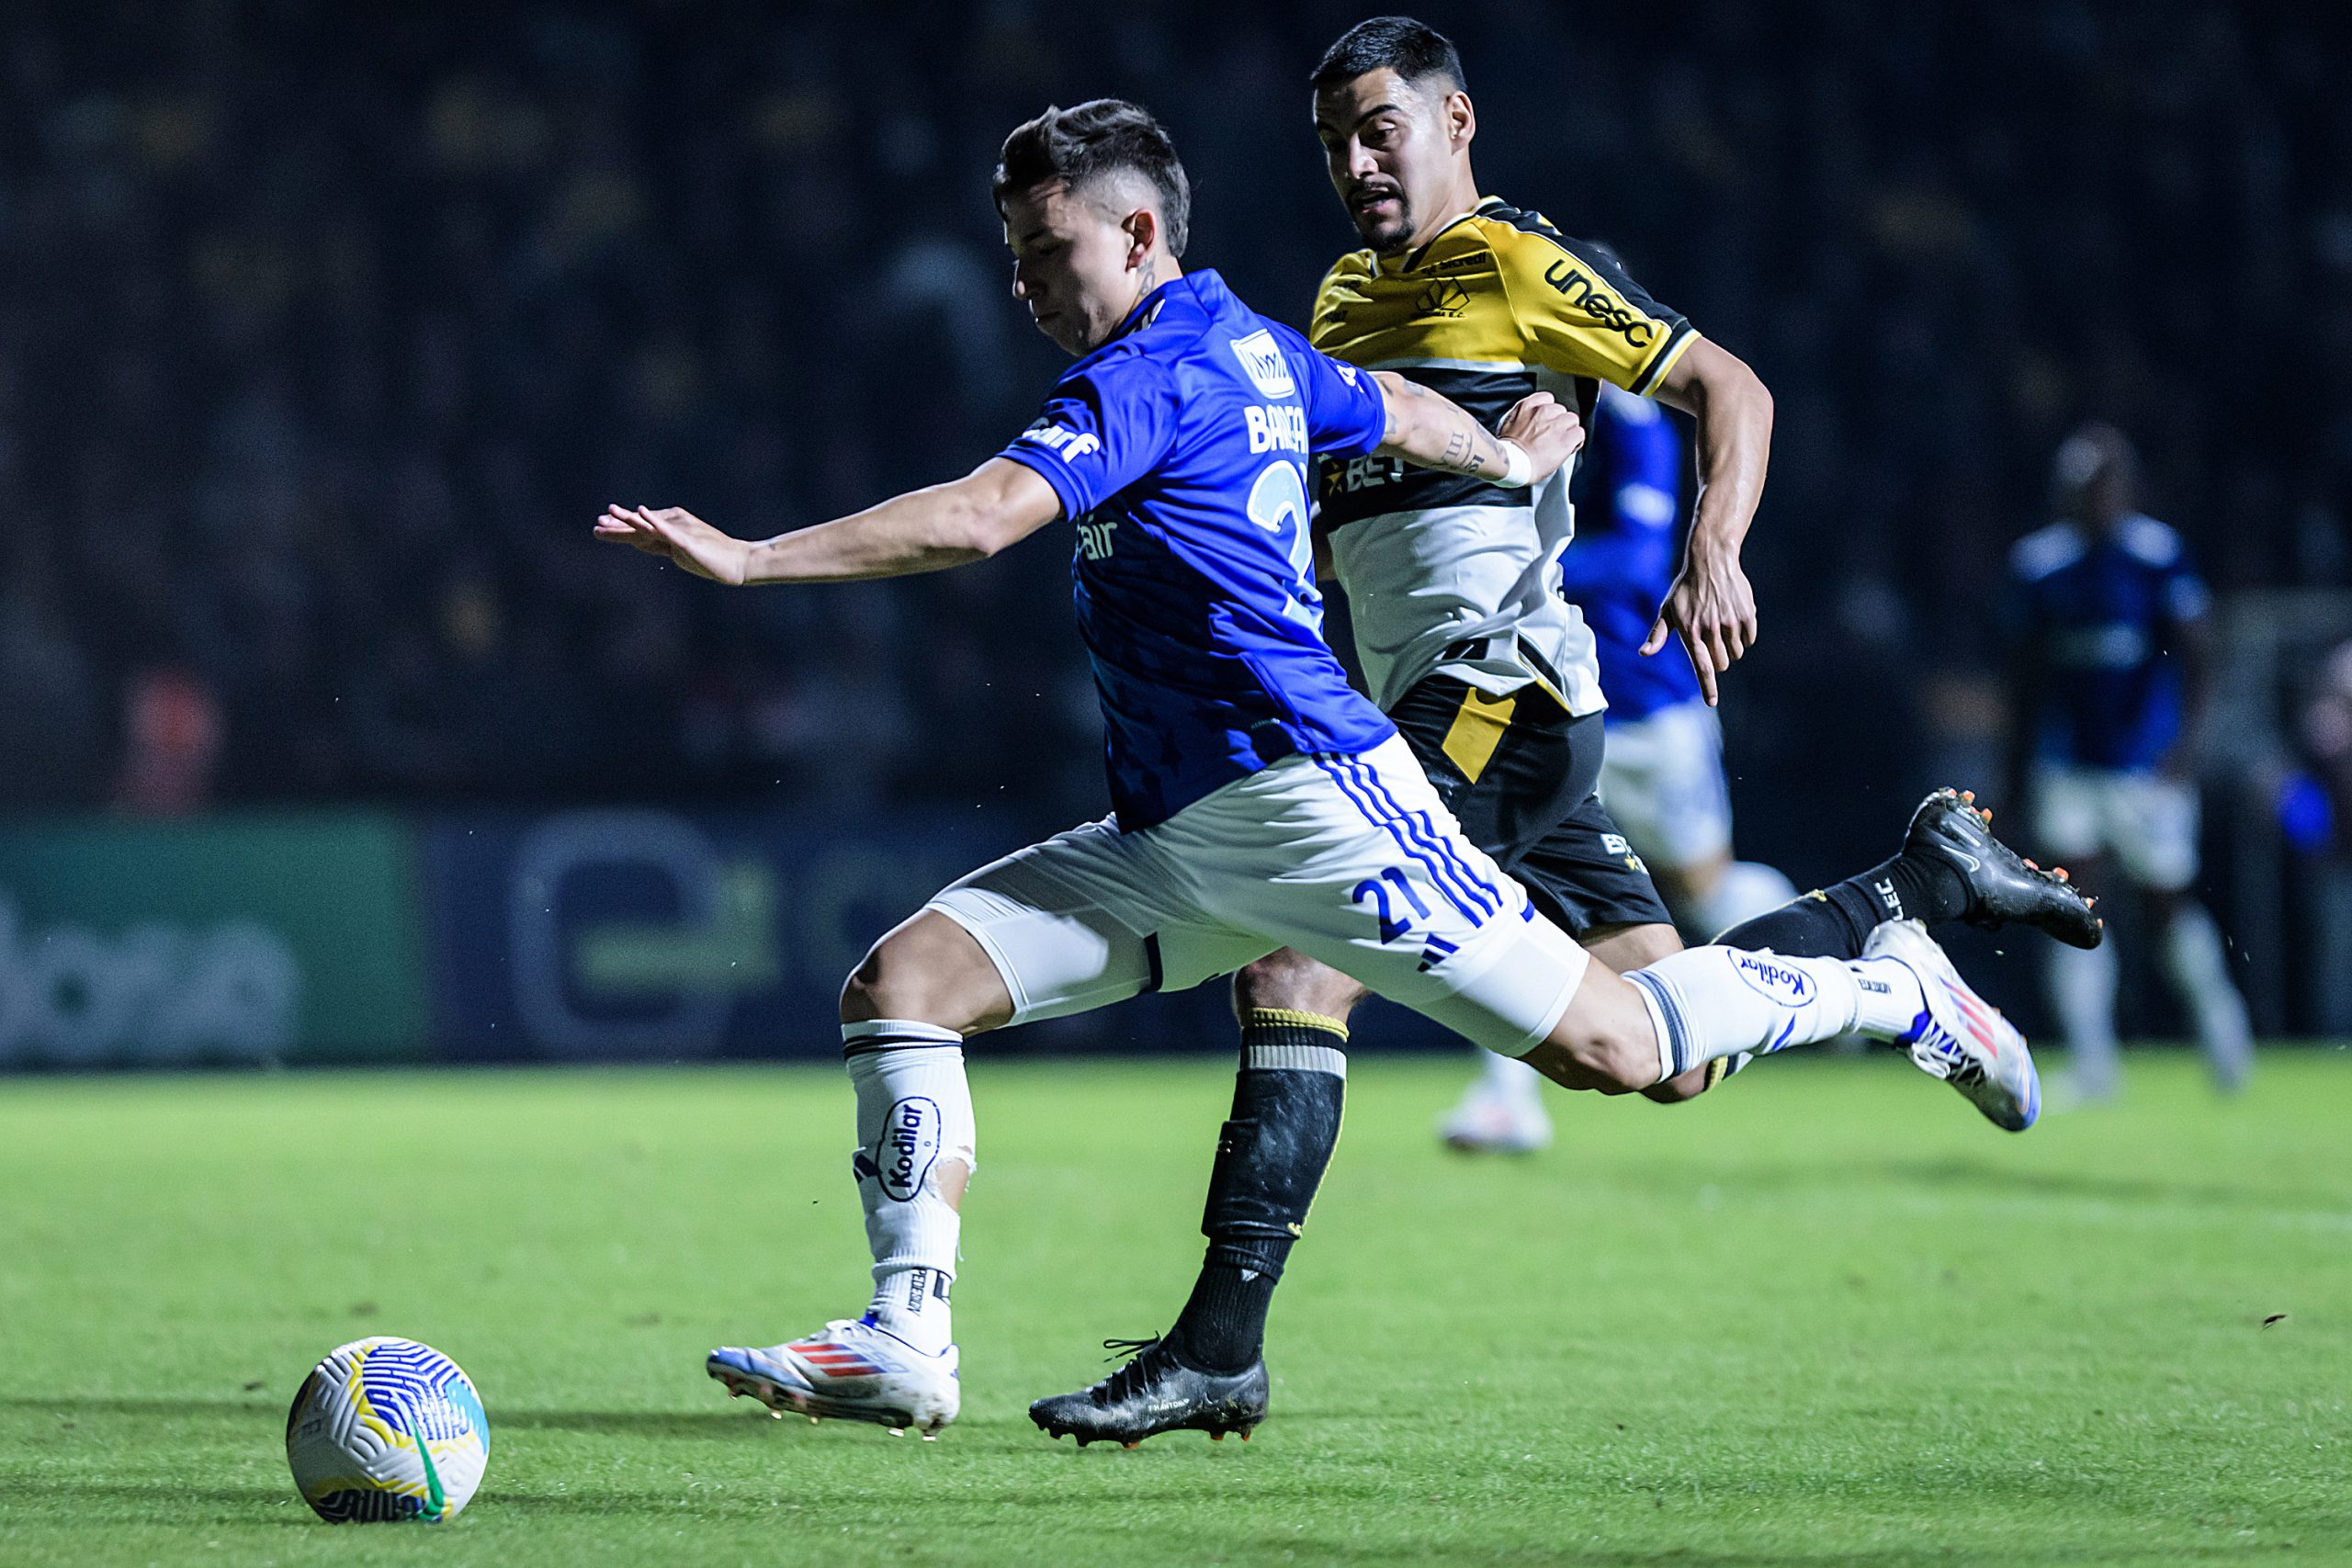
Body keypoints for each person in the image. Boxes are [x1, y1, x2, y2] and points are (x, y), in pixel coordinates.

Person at [601, 96, 2034, 1446]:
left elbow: (983, 519)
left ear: (1142, 236)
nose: (1029, 284)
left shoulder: (1155, 371)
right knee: (903, 986)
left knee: (1625, 1047)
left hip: (1315, 802)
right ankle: (908, 1334)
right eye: (1015, 257)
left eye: (1051, 251)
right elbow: (1390, 411)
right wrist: (1505, 453)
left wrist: (748, 556)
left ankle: (1889, 978)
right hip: (1176, 830)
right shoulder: (1262, 345)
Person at [1027, 20, 2100, 1450]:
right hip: (1434, 695)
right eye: (1334, 142)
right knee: (1661, 1052)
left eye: (1380, 130)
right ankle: (1907, 914)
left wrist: (1716, 547)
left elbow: (1734, 386)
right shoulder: (1342, 299)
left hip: (1499, 688)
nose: (1357, 165)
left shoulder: (1520, 264)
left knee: (1303, 961)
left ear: (1456, 118)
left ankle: (1218, 1348)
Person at [1441, 380, 1801, 1154]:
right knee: (1494, 881)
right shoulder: (1512, 400)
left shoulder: (1632, 423)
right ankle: (1508, 1098)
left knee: (1706, 894)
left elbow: (1641, 556)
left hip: (1650, 707)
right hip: (1547, 697)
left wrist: (1512, 557)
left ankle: (1821, 971)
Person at [2008, 423, 2252, 1100]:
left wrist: (2184, 752)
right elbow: (2023, 679)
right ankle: (2093, 1060)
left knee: (2165, 901)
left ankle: (2220, 1024)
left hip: (2144, 764)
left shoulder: (2157, 556)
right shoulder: (2040, 565)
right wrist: (2016, 771)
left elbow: (2198, 653)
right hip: (2069, 764)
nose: (2094, 498)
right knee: (2074, 902)